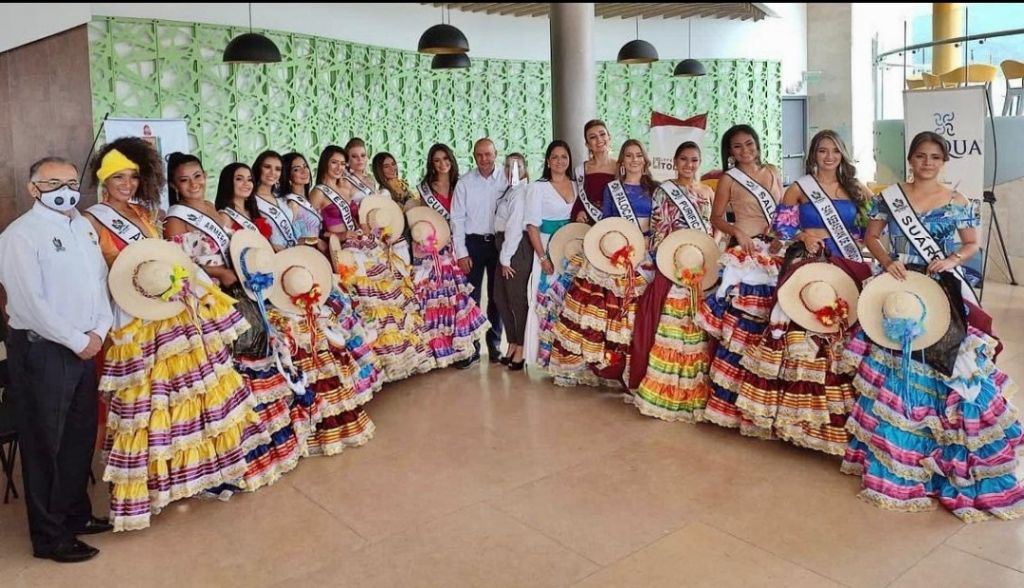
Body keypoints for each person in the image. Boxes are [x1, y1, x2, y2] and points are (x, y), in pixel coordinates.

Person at [0, 156, 113, 562]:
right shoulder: (20, 235)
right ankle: (49, 537)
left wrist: (99, 329)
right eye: (53, 183)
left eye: (70, 181)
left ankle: (75, 515)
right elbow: (29, 304)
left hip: (85, 344)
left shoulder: (81, 225)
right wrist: (74, 339)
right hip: (43, 350)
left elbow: (100, 282)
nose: (65, 189)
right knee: (47, 444)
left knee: (79, 437)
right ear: (34, 189)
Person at [735, 130, 871, 452]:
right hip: (808, 261)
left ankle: (839, 418)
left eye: (834, 151)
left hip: (845, 262)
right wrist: (802, 236)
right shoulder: (798, 188)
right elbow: (780, 229)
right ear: (813, 155)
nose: (828, 157)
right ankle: (800, 417)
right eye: (822, 151)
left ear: (842, 154)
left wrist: (861, 239)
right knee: (804, 332)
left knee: (842, 330)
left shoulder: (856, 188)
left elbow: (871, 228)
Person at [697, 124, 783, 432]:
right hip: (745, 253)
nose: (745, 150)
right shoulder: (728, 179)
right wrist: (737, 232)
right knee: (741, 324)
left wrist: (780, 235)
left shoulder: (773, 172)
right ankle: (729, 399)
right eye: (737, 146)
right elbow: (716, 217)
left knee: (771, 323)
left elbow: (783, 211)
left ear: (757, 145)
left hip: (773, 250)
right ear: (729, 152)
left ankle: (761, 402)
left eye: (749, 144)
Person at [626, 141, 715, 392]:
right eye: (684, 159)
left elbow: (713, 228)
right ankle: (666, 382)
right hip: (672, 262)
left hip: (701, 263)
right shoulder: (664, 190)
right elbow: (659, 229)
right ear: (675, 162)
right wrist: (669, 261)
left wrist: (710, 252)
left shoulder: (707, 192)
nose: (689, 165)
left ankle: (695, 383)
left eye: (694, 160)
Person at [451, 138, 508, 365]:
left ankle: (494, 347)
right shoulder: (465, 183)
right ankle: (471, 349)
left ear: (496, 154)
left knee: (497, 298)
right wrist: (461, 252)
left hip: (498, 245)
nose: (484, 159)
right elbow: (457, 219)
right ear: (474, 157)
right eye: (479, 155)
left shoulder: (506, 180)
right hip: (472, 244)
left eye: (488, 154)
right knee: (471, 299)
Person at [523, 141, 575, 367]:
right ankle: (547, 355)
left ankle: (567, 356)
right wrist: (543, 257)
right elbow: (531, 226)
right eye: (555, 157)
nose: (560, 161)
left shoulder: (576, 184)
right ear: (547, 161)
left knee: (569, 302)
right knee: (547, 301)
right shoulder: (538, 187)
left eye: (564, 156)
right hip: (547, 247)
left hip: (571, 248)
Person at [84, 137, 164, 264]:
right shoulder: (92, 219)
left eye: (134, 177)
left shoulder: (143, 211)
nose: (128, 184)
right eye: (118, 177)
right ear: (105, 180)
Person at [163, 152, 238, 287]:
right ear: (174, 185)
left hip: (233, 282)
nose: (193, 184)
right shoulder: (175, 220)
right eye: (184, 180)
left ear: (205, 175)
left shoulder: (209, 205)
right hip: (207, 290)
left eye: (197, 176)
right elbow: (179, 265)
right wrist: (220, 273)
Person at [492, 153, 531, 368]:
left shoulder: (522, 192)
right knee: (500, 297)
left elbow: (515, 226)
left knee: (516, 300)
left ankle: (521, 347)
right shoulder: (510, 190)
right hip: (504, 246)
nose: (511, 170)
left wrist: (506, 258)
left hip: (515, 249)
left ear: (525, 168)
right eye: (507, 166)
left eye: (516, 166)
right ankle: (513, 341)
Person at [600, 139, 658, 238]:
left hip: (649, 245)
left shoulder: (656, 187)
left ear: (644, 160)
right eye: (629, 156)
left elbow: (663, 222)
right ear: (622, 161)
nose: (634, 159)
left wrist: (651, 241)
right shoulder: (611, 188)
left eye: (639, 155)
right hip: (620, 244)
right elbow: (606, 221)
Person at [571, 119, 617, 224]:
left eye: (602, 134)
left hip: (615, 223)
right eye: (593, 137)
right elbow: (579, 199)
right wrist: (579, 212)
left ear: (609, 137)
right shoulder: (581, 170)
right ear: (587, 144)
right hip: (590, 222)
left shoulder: (621, 167)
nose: (599, 139)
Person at [310, 145, 359, 240]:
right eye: (334, 162)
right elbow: (310, 230)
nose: (339, 167)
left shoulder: (345, 188)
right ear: (325, 163)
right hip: (335, 248)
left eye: (342, 164)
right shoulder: (318, 193)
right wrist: (339, 236)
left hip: (356, 242)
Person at [215, 162, 274, 240]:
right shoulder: (225, 216)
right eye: (239, 179)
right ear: (227, 182)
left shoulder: (252, 211)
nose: (246, 183)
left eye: (249, 179)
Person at [251, 150, 296, 250]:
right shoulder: (250, 200)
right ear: (258, 168)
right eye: (267, 167)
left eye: (278, 169)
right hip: (270, 257)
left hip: (293, 254)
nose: (272, 173)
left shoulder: (283, 199)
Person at [280, 151, 325, 251]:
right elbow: (290, 241)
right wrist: (315, 241)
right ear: (287, 175)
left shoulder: (307, 199)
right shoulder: (291, 204)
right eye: (296, 169)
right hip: (303, 256)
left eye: (305, 166)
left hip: (316, 253)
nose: (304, 171)